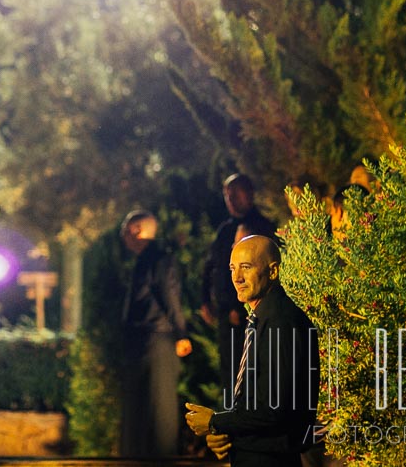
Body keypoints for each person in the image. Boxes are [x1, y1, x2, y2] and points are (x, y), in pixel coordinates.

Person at [185, 235, 319, 466]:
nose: (236, 277)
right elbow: (257, 404)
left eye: (246, 268)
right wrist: (227, 435)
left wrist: (216, 422)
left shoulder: (281, 321)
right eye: (232, 268)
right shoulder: (263, 318)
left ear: (273, 271)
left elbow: (273, 408)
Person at [119, 210, 192, 457]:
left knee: (159, 406)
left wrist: (181, 334)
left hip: (157, 338)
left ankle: (161, 458)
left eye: (125, 230)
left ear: (136, 231)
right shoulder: (146, 259)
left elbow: (169, 296)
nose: (123, 237)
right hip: (143, 339)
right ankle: (139, 456)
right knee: (141, 403)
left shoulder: (160, 259)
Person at [201, 174, 276, 385]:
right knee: (229, 374)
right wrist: (204, 299)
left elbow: (260, 273)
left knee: (250, 374)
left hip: (249, 315)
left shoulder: (263, 227)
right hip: (224, 313)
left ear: (249, 194)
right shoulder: (225, 230)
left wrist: (239, 306)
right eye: (227, 195)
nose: (230, 200)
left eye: (235, 194)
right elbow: (210, 265)